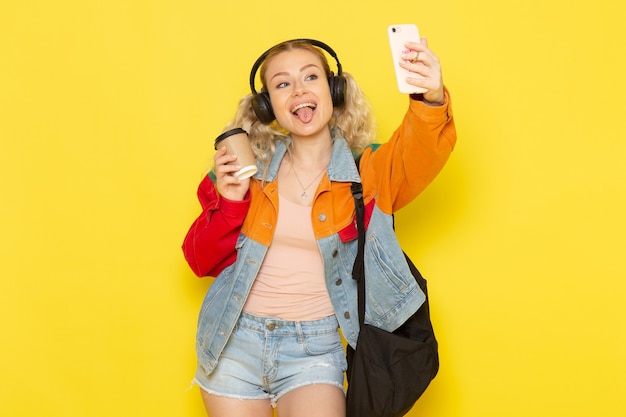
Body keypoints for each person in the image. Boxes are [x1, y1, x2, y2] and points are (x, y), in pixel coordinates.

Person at [182, 37, 456, 417]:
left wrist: (431, 97)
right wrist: (230, 201)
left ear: (334, 89)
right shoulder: (247, 171)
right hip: (233, 341)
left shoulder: (370, 172)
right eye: (282, 84)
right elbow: (199, 261)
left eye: (311, 76)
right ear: (267, 107)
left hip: (314, 349)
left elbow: (422, 147)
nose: (298, 91)